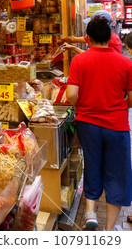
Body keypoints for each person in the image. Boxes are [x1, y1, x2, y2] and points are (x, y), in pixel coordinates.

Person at [66, 16, 132, 231]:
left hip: (87, 123)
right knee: (117, 173)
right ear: (109, 38)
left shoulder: (80, 60)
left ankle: (91, 213)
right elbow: (131, 98)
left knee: (92, 166)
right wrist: (122, 105)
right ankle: (110, 228)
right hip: (117, 125)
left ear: (90, 38)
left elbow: (71, 94)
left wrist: (82, 106)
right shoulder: (125, 62)